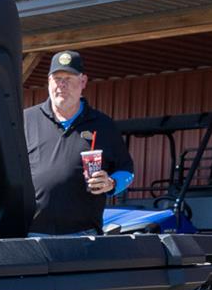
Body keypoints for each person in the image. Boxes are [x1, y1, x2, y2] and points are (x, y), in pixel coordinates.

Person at [23, 50, 134, 235]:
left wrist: (111, 183)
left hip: (83, 234)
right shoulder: (26, 120)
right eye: (57, 78)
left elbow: (127, 170)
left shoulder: (103, 124)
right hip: (32, 233)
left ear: (83, 82)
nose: (62, 85)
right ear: (48, 82)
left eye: (68, 78)